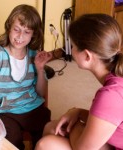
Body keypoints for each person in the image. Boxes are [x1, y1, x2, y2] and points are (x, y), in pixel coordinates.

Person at [35, 14, 123, 150]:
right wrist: (79, 112)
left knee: (45, 145)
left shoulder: (110, 95)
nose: (71, 50)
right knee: (50, 127)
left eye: (73, 46)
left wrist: (75, 124)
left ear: (87, 56)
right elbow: (111, 118)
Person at [0, 4, 52, 150]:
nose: (20, 37)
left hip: (31, 106)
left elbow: (41, 93)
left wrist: (40, 69)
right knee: (11, 139)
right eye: (16, 29)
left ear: (33, 34)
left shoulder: (34, 54)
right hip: (5, 111)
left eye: (27, 32)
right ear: (9, 27)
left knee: (47, 129)